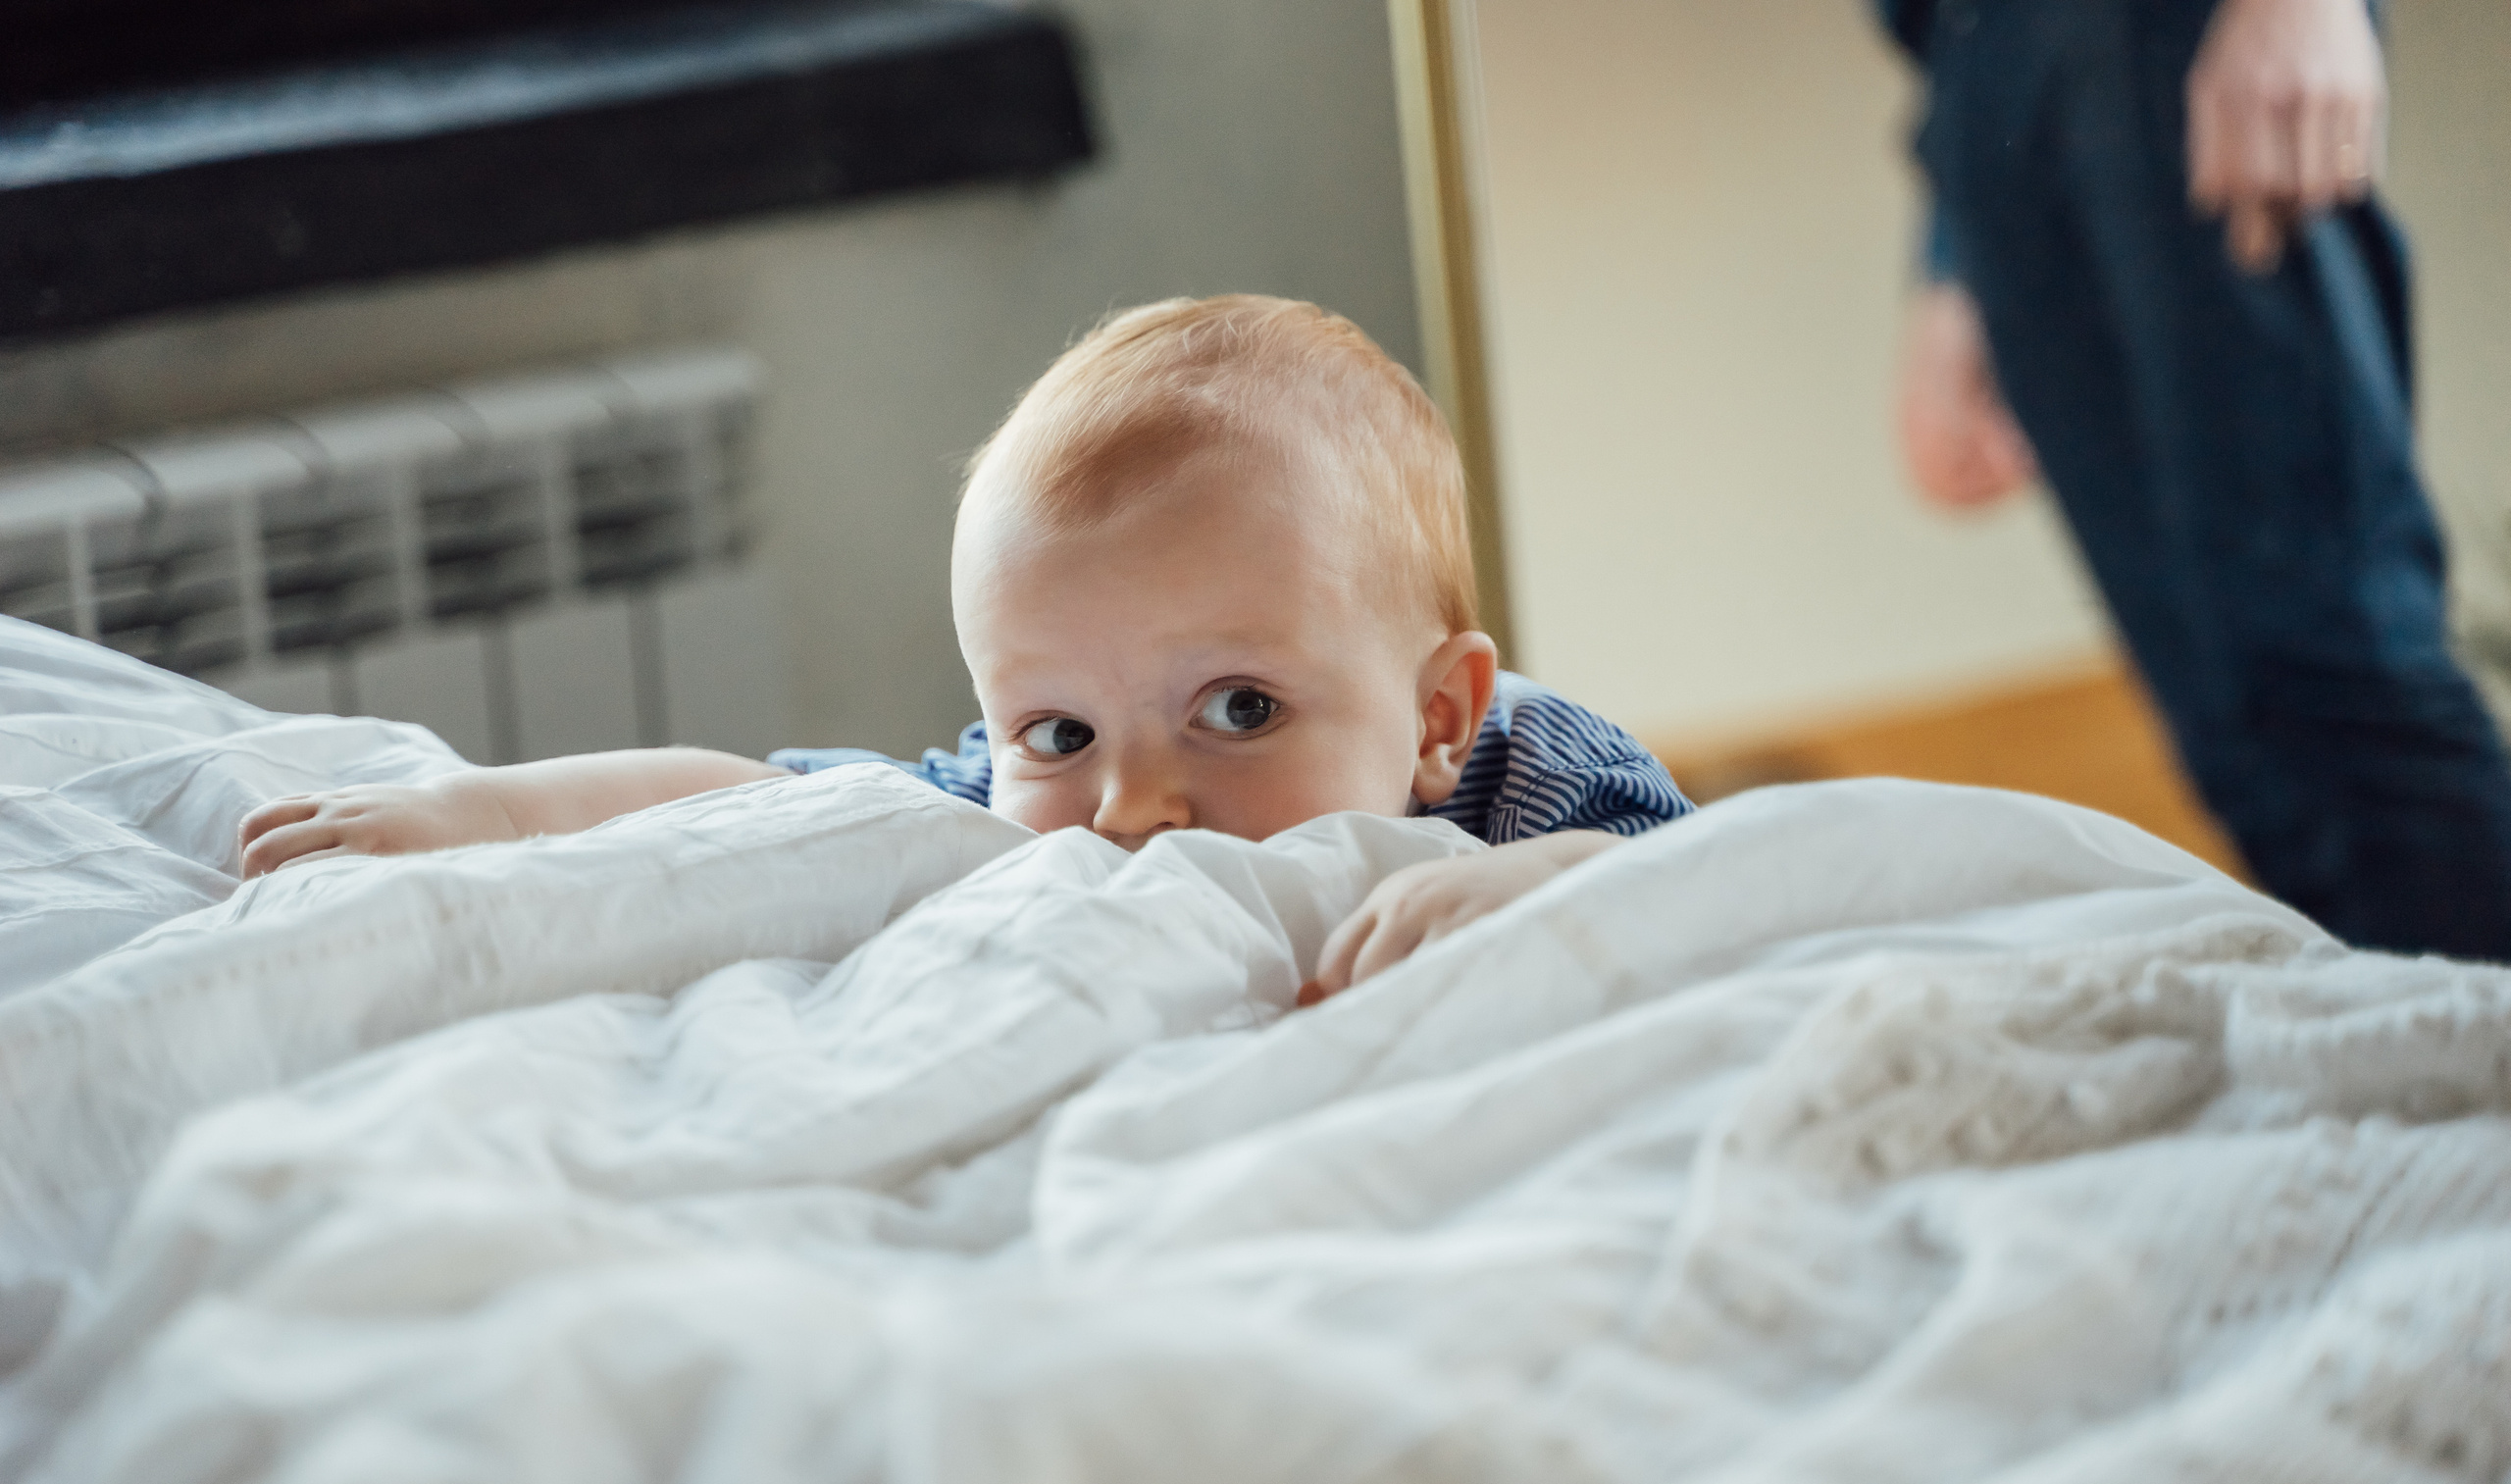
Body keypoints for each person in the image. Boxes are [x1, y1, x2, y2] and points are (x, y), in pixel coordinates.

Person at [238, 295, 1693, 999]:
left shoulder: (1527, 776)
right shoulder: (1012, 816)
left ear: (1436, 715)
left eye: (1239, 708)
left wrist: (1538, 886)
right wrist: (489, 813)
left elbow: (1724, 884)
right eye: (1059, 731)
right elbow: (761, 802)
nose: (1132, 805)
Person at [1881, 0, 2511, 961]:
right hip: (1979, 60)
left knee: (2335, 681)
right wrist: (1952, 253)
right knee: (2240, 740)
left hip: (2159, 28)